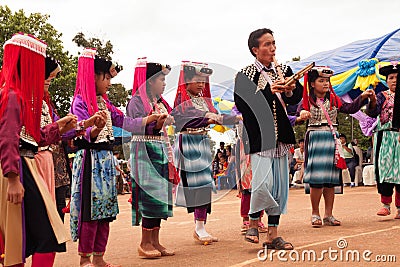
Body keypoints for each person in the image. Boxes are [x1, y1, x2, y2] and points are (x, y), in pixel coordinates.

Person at [0, 33, 76, 267]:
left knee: (26, 237)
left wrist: (58, 127)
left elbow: (35, 137)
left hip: (26, 166)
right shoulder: (13, 96)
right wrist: (12, 178)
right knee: (32, 237)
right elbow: (8, 138)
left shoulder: (21, 97)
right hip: (20, 168)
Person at [69, 48, 141, 267]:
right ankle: (85, 259)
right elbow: (80, 134)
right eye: (106, 77)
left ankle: (99, 257)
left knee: (106, 211)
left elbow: (126, 122)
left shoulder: (106, 104)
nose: (109, 82)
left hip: (106, 160)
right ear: (93, 76)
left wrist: (150, 120)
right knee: (91, 212)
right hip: (90, 159)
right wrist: (94, 128)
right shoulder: (80, 102)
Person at [234, 28, 303, 249]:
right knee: (263, 183)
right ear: (255, 50)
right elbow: (242, 103)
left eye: (273, 43)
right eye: (266, 44)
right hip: (260, 136)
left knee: (279, 187)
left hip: (281, 135)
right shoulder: (245, 74)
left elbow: (296, 98)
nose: (272, 48)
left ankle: (273, 234)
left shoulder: (284, 69)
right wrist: (268, 90)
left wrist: (291, 90)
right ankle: (253, 220)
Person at [173, 61, 241, 244]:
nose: (202, 84)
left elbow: (216, 116)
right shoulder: (181, 101)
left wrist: (237, 117)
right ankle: (199, 227)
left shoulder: (203, 101)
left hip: (202, 142)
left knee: (204, 185)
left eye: (204, 80)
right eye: (197, 80)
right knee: (198, 185)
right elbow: (184, 120)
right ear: (186, 81)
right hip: (188, 143)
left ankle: (200, 226)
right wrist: (206, 119)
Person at [299, 66, 375, 227]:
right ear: (312, 84)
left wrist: (361, 97)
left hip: (332, 138)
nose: (325, 84)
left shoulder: (334, 99)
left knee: (331, 179)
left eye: (327, 81)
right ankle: (315, 213)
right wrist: (300, 115)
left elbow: (349, 108)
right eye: (321, 81)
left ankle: (328, 214)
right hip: (316, 138)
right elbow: (297, 114)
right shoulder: (306, 101)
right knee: (317, 178)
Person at [126, 58, 174, 258]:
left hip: (160, 149)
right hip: (144, 150)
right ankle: (145, 242)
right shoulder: (136, 102)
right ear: (149, 81)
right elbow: (134, 125)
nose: (164, 83)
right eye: (160, 79)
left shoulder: (161, 102)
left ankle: (155, 240)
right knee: (149, 196)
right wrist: (155, 124)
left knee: (160, 197)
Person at [366, 62, 400, 219]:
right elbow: (372, 112)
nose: (394, 80)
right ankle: (385, 205)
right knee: (384, 169)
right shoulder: (381, 96)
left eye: (397, 77)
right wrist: (372, 100)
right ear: (386, 81)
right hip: (385, 136)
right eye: (391, 78)